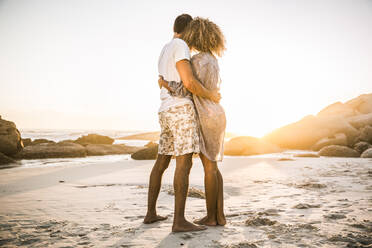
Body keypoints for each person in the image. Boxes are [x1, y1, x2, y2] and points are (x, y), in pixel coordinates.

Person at [143, 14, 220, 233]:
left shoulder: (165, 48)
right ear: (188, 30)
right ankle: (179, 221)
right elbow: (188, 82)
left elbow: (167, 79)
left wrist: (165, 84)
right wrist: (211, 95)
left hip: (165, 109)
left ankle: (150, 213)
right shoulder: (181, 45)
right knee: (184, 164)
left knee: (161, 162)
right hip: (181, 110)